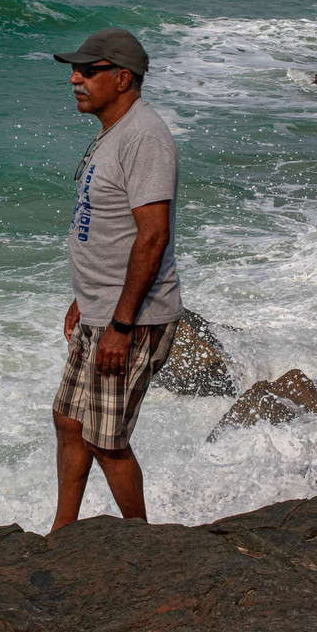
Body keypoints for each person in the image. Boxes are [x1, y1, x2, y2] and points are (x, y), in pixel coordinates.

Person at [49, 27, 183, 532]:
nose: (75, 79)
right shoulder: (113, 133)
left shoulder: (144, 137)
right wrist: (84, 299)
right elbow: (100, 224)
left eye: (88, 70)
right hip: (101, 308)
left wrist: (120, 326)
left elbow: (152, 237)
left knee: (106, 439)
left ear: (122, 78)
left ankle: (141, 542)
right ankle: (62, 532)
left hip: (133, 319)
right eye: (75, 70)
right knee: (69, 421)